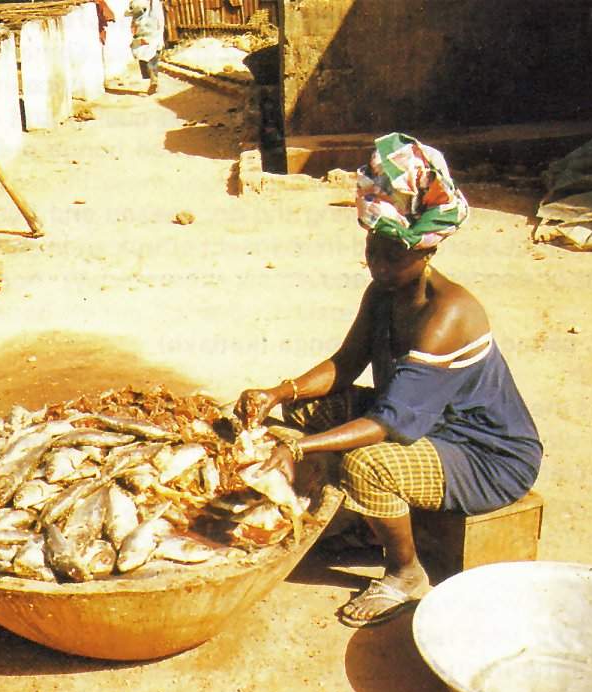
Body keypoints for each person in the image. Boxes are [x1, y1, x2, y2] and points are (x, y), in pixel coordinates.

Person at [236, 132, 543, 628]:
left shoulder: (447, 314)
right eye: (372, 249)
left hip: (487, 456)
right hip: (428, 426)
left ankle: (405, 573)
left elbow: (388, 424)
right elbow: (345, 363)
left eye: (393, 256)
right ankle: (367, 522)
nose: (377, 264)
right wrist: (279, 392)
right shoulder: (383, 292)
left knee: (367, 466)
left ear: (426, 252)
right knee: (309, 409)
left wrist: (299, 448)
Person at [126, 0, 164, 95]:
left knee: (150, 51)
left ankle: (153, 79)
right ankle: (152, 77)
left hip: (149, 27)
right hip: (144, 28)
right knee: (146, 51)